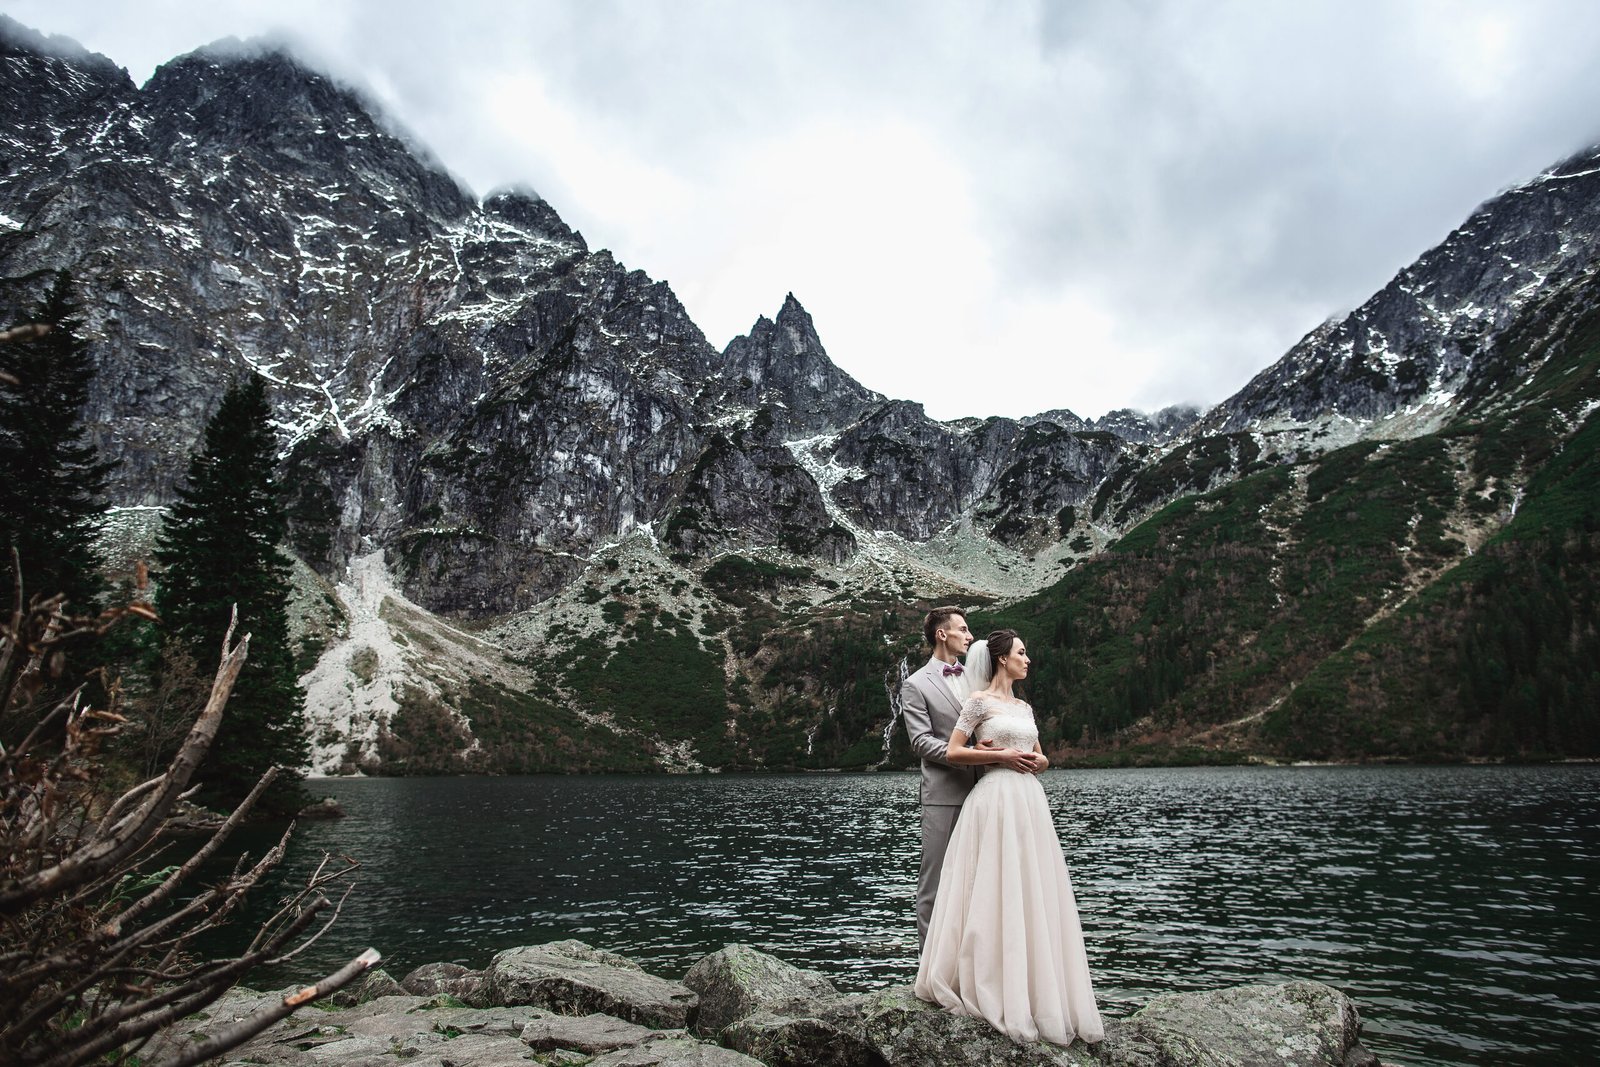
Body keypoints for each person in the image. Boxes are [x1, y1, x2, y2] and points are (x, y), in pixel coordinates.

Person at [914, 629, 1104, 1047]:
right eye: (1022, 652)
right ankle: (987, 980)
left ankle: (1033, 988)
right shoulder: (978, 702)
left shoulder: (1024, 706)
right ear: (1002, 659)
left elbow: (1042, 754)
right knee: (992, 888)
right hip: (995, 796)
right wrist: (998, 755)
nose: (1027, 659)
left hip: (1029, 801)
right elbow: (955, 751)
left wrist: (1039, 761)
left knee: (1032, 888)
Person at [900, 607, 1038, 949]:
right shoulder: (916, 684)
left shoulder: (979, 676)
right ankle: (929, 964)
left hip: (990, 791)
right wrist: (973, 752)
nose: (970, 636)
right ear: (941, 634)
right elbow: (920, 742)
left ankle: (974, 960)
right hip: (945, 795)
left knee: (984, 880)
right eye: (962, 629)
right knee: (936, 882)